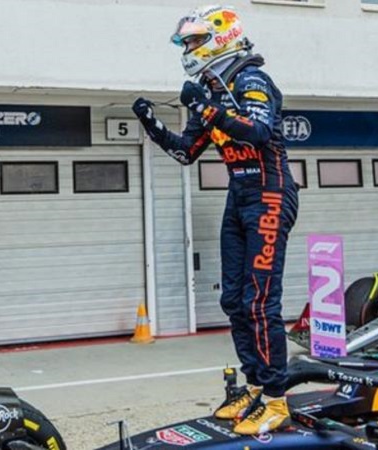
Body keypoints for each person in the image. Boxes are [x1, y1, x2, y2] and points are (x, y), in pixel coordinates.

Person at [132, 5, 298, 435]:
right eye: (185, 42)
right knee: (233, 301)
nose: (187, 49)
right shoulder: (212, 87)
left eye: (192, 41)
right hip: (239, 194)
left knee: (260, 301)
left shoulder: (250, 79)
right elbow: (186, 152)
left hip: (270, 193)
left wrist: (207, 109)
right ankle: (256, 386)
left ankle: (277, 399)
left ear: (219, 38)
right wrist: (151, 124)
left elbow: (258, 130)